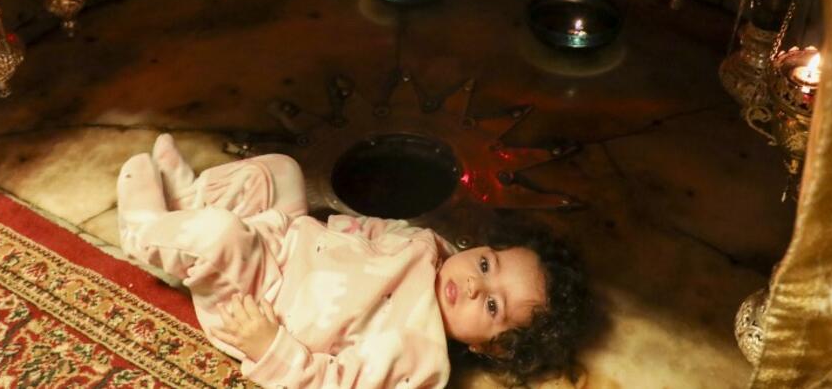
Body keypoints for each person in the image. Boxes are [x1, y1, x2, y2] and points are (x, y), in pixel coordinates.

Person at [118, 134, 593, 388]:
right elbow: (371, 231)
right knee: (282, 171)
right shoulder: (433, 250)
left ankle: (144, 232)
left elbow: (336, 386)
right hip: (289, 244)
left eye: (491, 306)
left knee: (219, 238)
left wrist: (270, 348)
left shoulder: (418, 356)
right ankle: (191, 202)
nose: (473, 284)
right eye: (486, 265)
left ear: (493, 348)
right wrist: (313, 230)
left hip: (263, 302)